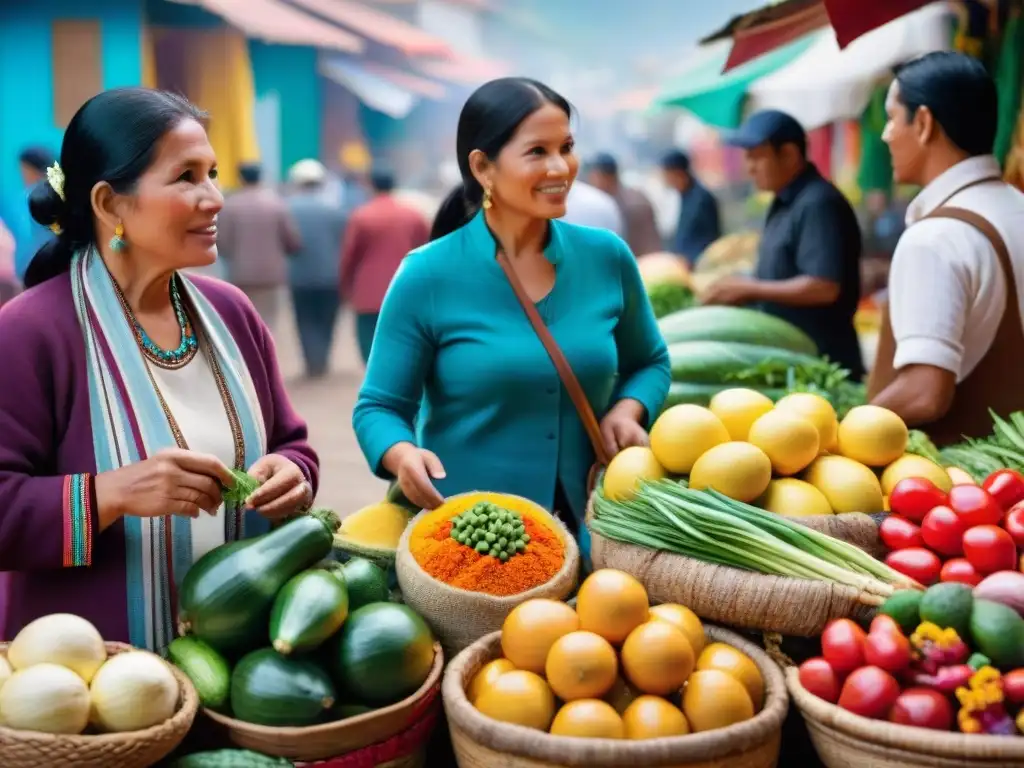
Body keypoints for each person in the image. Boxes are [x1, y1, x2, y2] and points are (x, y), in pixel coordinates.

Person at [0, 88, 319, 649]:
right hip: (96, 673)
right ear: (109, 204)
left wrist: (294, 473)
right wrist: (109, 495)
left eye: (213, 173)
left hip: (241, 663)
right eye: (186, 177)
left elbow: (292, 443)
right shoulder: (30, 333)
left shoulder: (230, 313)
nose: (215, 197)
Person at [352, 77, 671, 558]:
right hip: (471, 540)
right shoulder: (427, 275)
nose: (561, 167)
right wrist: (401, 455)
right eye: (537, 151)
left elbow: (651, 361)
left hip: (596, 533)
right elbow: (378, 407)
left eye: (567, 147)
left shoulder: (608, 258)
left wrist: (628, 408)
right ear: (482, 166)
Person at [868, 52, 1024, 441]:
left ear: (923, 123)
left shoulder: (934, 239)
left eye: (891, 117)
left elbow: (924, 394)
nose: (886, 134)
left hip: (962, 484)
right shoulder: (1017, 205)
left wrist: (843, 433)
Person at [702, 110, 865, 379]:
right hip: (791, 358)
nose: (749, 167)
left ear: (789, 154)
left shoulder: (817, 203)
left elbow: (824, 287)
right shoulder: (783, 202)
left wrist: (750, 288)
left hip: (824, 364)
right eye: (748, 158)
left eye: (758, 157)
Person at [340, 169, 429, 364]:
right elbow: (428, 253)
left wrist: (346, 288)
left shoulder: (361, 216)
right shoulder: (412, 216)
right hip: (406, 291)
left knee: (369, 346)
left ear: (371, 185)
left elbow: (349, 257)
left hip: (368, 294)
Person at [216, 161, 301, 333]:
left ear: (241, 178)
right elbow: (292, 241)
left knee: (242, 319)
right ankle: (265, 354)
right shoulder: (276, 204)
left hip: (240, 273)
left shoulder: (231, 205)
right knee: (267, 321)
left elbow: (221, 242)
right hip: (271, 274)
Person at [286, 159, 347, 378]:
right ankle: (322, 360)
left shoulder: (288, 208)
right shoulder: (335, 210)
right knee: (327, 320)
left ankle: (312, 363)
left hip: (299, 276)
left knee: (305, 320)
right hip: (331, 276)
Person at [587, 152, 662, 256]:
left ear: (604, 177)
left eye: (594, 176)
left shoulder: (633, 204)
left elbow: (648, 245)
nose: (591, 180)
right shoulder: (605, 201)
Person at [660, 149, 721, 265]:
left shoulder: (702, 199)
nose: (666, 180)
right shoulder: (682, 196)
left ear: (678, 173)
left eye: (667, 175)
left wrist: (690, 258)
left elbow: (709, 239)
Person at [13, 147, 57, 280]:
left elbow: (28, 240)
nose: (23, 175)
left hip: (37, 269)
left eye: (24, 170)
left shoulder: (29, 197)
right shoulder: (59, 191)